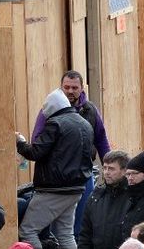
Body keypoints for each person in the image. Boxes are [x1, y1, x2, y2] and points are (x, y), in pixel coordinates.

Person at [16, 88, 93, 249]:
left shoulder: (55, 124)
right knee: (66, 234)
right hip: (76, 189)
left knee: (28, 230)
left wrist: (19, 143)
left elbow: (36, 152)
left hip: (54, 189)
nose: (43, 112)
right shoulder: (84, 124)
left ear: (51, 108)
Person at [31, 70, 111, 236]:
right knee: (55, 225)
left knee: (78, 223)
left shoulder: (90, 111)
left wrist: (109, 166)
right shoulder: (48, 110)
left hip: (83, 175)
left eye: (74, 87)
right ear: (61, 88)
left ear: (82, 89)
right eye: (66, 87)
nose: (70, 91)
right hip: (56, 177)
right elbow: (37, 139)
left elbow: (101, 140)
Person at [77, 150, 131, 249]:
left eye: (111, 169)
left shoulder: (134, 197)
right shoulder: (96, 196)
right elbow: (85, 236)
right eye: (105, 168)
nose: (106, 172)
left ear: (124, 171)